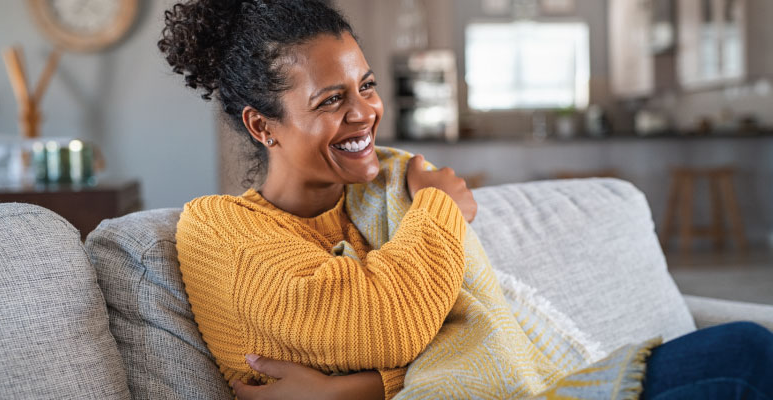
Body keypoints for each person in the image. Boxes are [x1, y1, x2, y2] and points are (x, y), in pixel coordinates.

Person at [160, 1, 773, 399]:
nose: (365, 112)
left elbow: (456, 332)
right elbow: (384, 320)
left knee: (746, 347)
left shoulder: (381, 196)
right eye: (330, 100)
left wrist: (354, 391)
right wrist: (442, 209)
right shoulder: (217, 228)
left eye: (366, 86)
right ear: (263, 126)